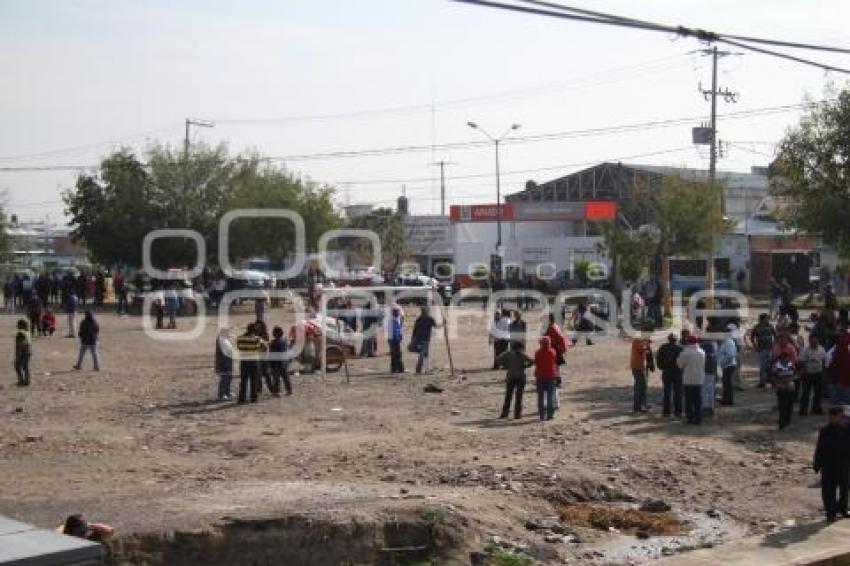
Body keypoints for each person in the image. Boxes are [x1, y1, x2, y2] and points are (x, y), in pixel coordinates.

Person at [813, 407, 849, 523]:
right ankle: (830, 512)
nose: (833, 419)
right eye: (831, 416)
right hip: (828, 465)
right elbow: (819, 448)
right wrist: (817, 464)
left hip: (844, 463)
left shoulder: (846, 429)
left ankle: (843, 509)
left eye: (837, 416)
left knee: (844, 488)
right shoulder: (825, 430)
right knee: (828, 490)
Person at [496, 341, 533, 419]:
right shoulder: (522, 355)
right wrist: (525, 366)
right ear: (520, 348)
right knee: (519, 397)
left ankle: (505, 413)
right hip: (520, 377)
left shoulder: (508, 354)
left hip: (510, 376)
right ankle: (517, 415)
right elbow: (531, 361)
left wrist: (505, 365)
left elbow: (498, 358)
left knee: (508, 396)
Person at [678, 334, 706, 425]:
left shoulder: (685, 353)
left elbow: (679, 365)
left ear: (688, 342)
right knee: (698, 400)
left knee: (689, 400)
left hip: (688, 379)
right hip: (699, 378)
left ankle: (689, 418)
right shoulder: (702, 352)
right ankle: (699, 418)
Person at [655, 333, 683, 418]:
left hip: (667, 371)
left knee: (667, 392)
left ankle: (666, 412)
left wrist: (661, 367)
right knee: (678, 392)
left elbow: (658, 358)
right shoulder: (680, 348)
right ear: (676, 340)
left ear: (668, 339)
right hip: (677, 372)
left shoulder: (663, 347)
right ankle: (678, 412)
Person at [799, 334, 827, 416]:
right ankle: (803, 410)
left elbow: (824, 360)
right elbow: (801, 361)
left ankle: (816, 408)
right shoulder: (805, 350)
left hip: (818, 373)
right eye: (812, 342)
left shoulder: (821, 349)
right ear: (810, 341)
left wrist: (823, 371)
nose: (814, 343)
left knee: (818, 392)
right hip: (808, 373)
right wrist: (804, 370)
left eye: (816, 342)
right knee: (805, 393)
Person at [236, 323, 264, 403]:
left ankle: (242, 398)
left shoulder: (240, 338)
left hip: (244, 361)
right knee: (254, 380)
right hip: (254, 362)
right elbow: (261, 348)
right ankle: (253, 398)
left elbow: (239, 347)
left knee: (243, 381)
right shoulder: (257, 339)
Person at [629, 326, 654, 413]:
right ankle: (638, 407)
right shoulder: (639, 339)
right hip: (638, 367)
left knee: (641, 387)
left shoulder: (640, 339)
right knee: (640, 387)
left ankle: (642, 405)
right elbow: (642, 349)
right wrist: (647, 343)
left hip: (639, 366)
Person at [534, 336, 558, 421]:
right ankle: (550, 415)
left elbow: (536, 362)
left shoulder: (537, 352)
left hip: (540, 376)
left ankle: (541, 415)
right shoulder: (552, 352)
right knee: (550, 396)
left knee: (540, 397)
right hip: (550, 376)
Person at [750, 313, 777, 388]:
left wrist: (774, 346)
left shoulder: (770, 326)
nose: (767, 320)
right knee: (762, 366)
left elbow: (775, 336)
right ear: (762, 319)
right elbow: (752, 337)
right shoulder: (757, 327)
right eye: (766, 318)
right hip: (761, 349)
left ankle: (772, 381)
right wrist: (755, 346)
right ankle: (762, 382)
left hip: (770, 349)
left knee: (771, 366)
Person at [410, 306, 438, 374]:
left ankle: (426, 369)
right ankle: (419, 370)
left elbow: (414, 330)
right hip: (423, 340)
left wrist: (413, 339)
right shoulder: (425, 318)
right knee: (422, 355)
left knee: (425, 355)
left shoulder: (426, 318)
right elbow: (415, 330)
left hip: (422, 339)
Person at [773, 351, 797, 430]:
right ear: (782, 358)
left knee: (790, 406)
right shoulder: (776, 366)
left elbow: (795, 375)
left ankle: (787, 422)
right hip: (781, 388)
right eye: (785, 358)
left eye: (788, 358)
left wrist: (791, 379)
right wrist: (781, 382)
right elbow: (773, 378)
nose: (787, 359)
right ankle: (782, 424)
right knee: (782, 406)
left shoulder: (791, 365)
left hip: (790, 388)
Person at [268, 325, 292, 396]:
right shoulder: (284, 341)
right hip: (284, 362)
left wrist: (270, 364)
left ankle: (276, 392)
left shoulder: (274, 342)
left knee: (276, 378)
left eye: (274, 332)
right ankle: (289, 390)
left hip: (276, 363)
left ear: (276, 333)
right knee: (285, 377)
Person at [718, 328, 738, 407]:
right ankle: (726, 399)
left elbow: (730, 355)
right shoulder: (727, 342)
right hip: (727, 365)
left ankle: (728, 400)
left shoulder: (728, 342)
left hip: (728, 365)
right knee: (726, 383)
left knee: (728, 384)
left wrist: (723, 362)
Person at [215, 328, 234, 400]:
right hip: (223, 362)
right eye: (228, 333)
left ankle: (227, 392)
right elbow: (224, 352)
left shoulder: (225, 340)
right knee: (224, 378)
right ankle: (221, 394)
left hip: (228, 361)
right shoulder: (221, 341)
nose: (229, 334)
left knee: (229, 377)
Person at [14, 319, 32, 387]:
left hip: (23, 352)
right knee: (25, 367)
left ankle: (21, 380)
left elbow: (20, 345)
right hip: (28, 351)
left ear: (20, 325)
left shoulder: (20, 333)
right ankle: (27, 380)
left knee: (17, 366)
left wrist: (18, 355)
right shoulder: (27, 332)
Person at [388, 305, 404, 374]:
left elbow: (399, 329)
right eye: (397, 312)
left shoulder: (395, 320)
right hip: (394, 339)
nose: (398, 313)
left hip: (393, 339)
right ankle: (399, 369)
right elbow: (396, 331)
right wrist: (399, 337)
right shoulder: (393, 320)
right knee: (397, 354)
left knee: (394, 355)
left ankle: (394, 369)